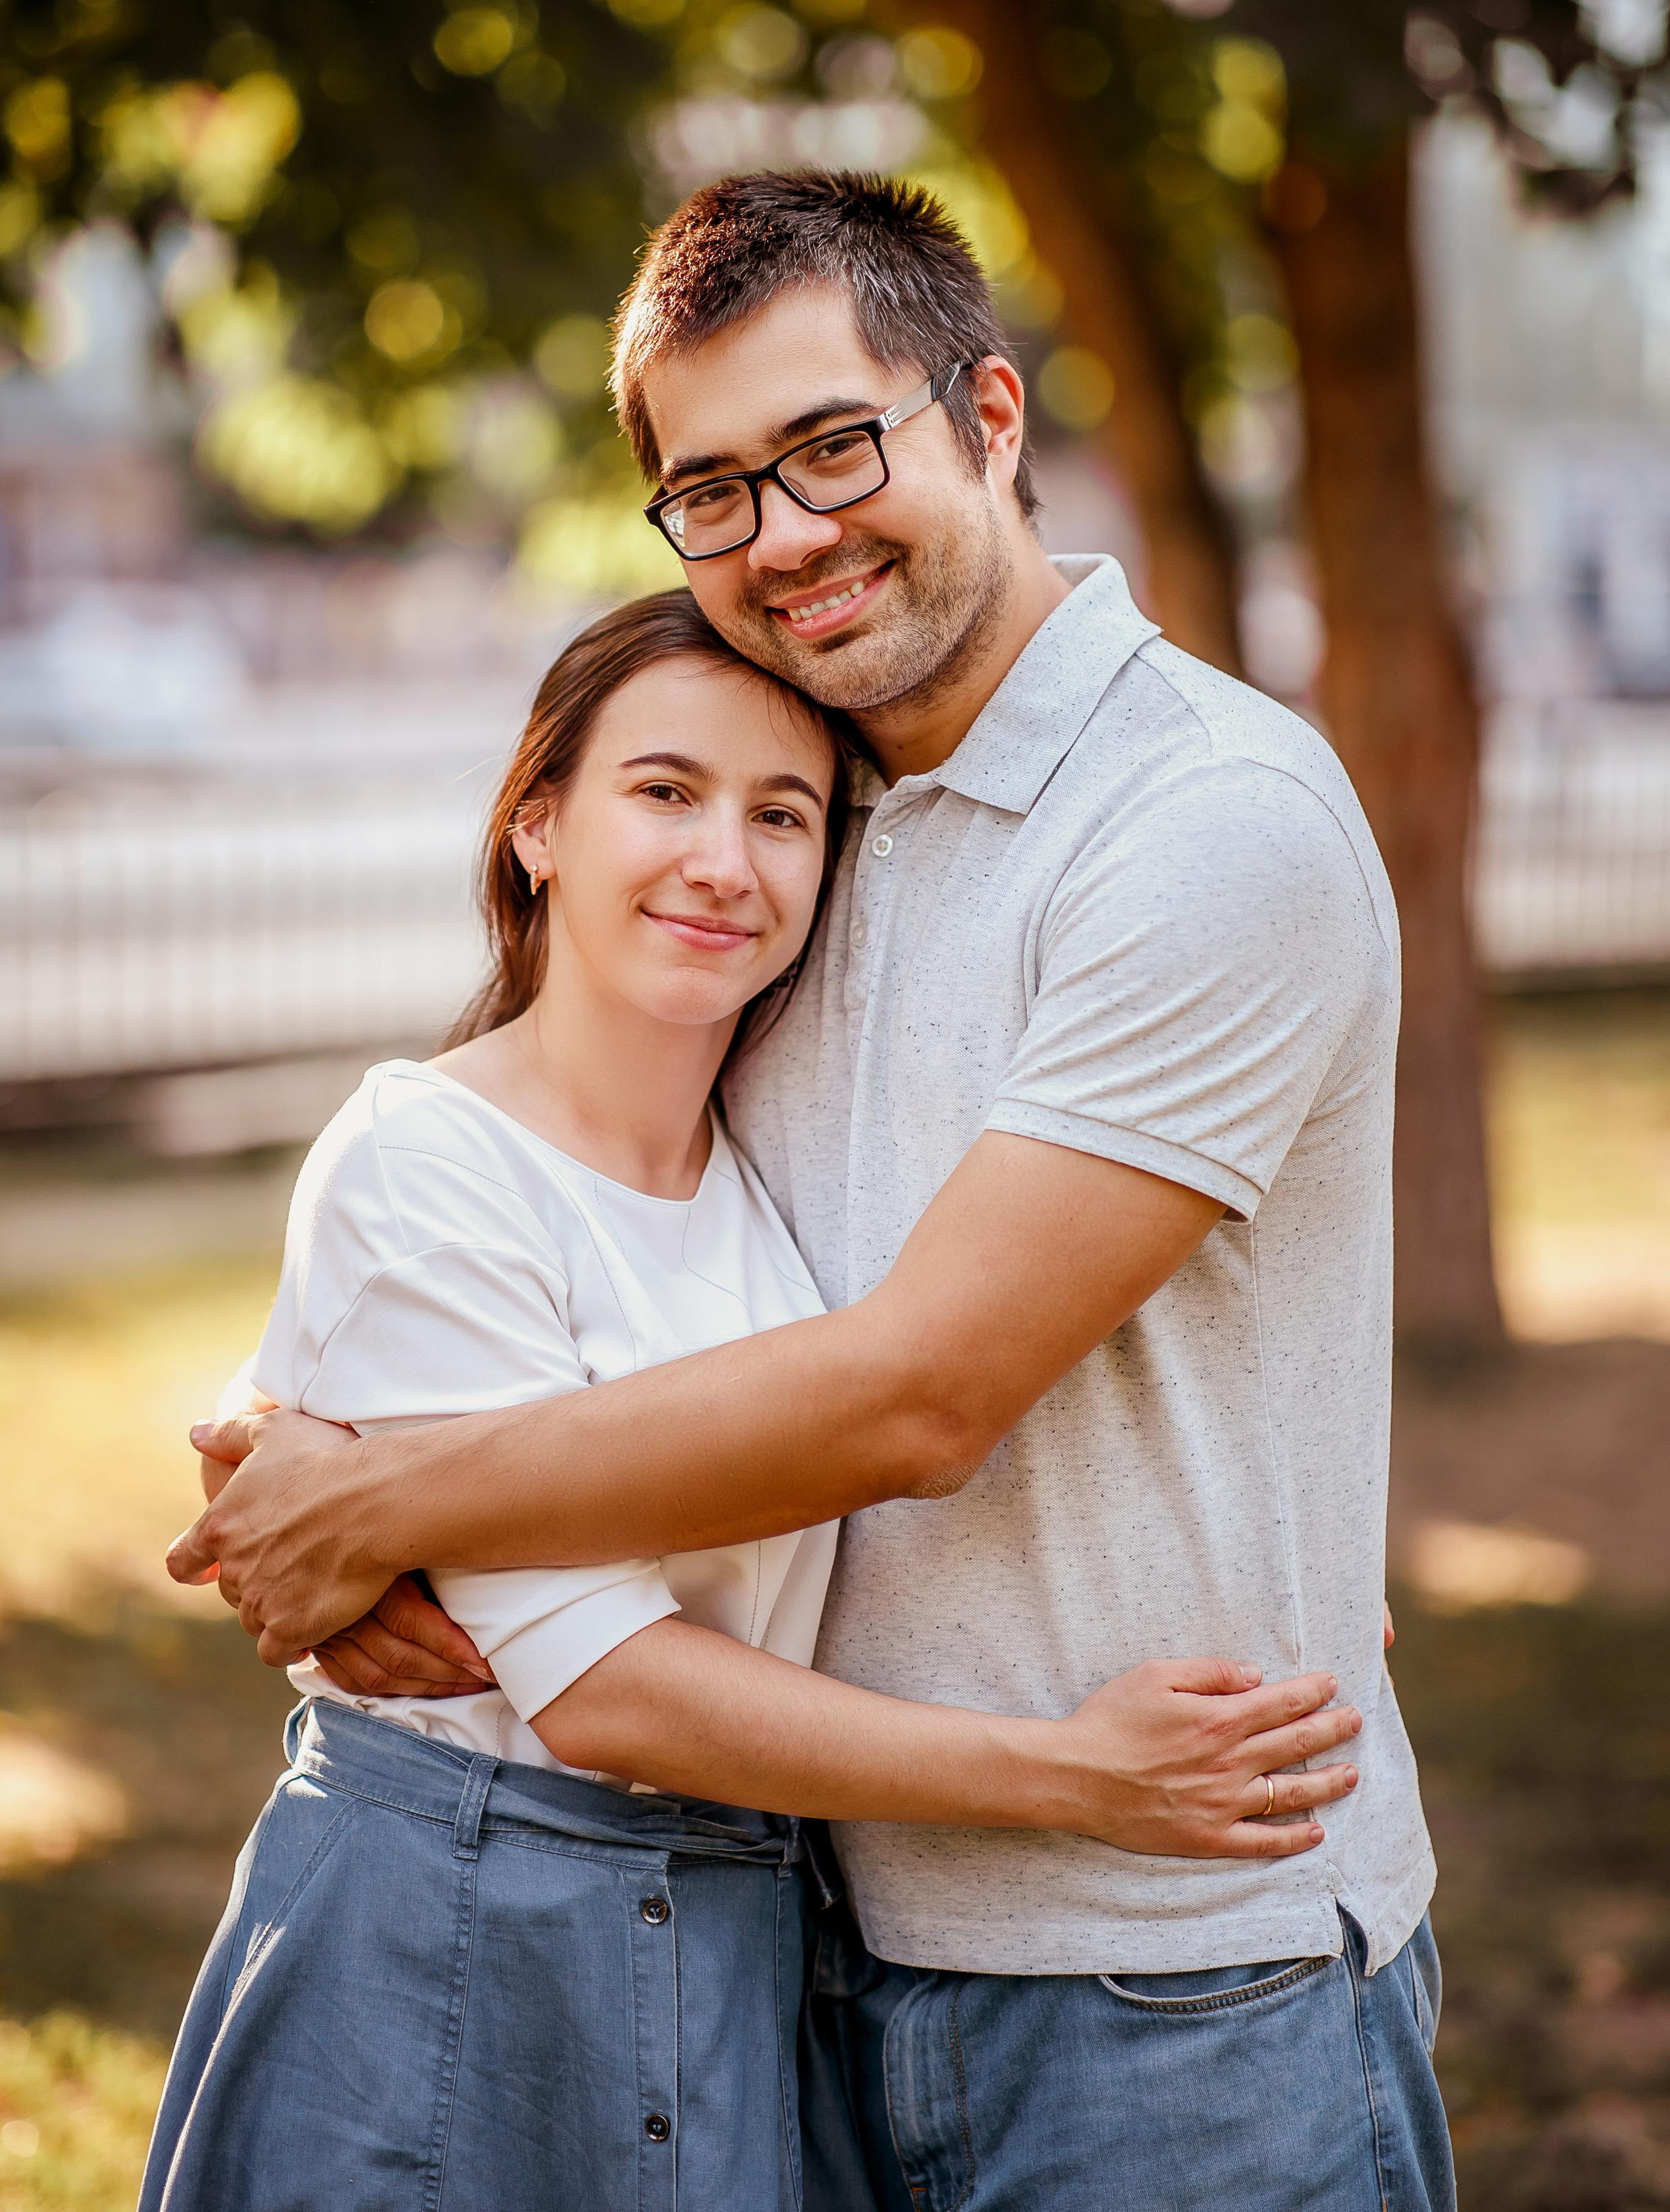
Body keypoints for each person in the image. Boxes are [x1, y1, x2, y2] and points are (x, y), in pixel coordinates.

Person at [175, 172, 1455, 2211]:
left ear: (991, 416)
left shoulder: (1200, 821)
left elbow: (918, 1394)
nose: (783, 533)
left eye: (834, 445)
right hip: (814, 1950)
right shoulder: (818, 816)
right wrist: (308, 1416)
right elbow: (576, 1206)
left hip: (1168, 1975)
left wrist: (383, 1498)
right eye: (712, 489)